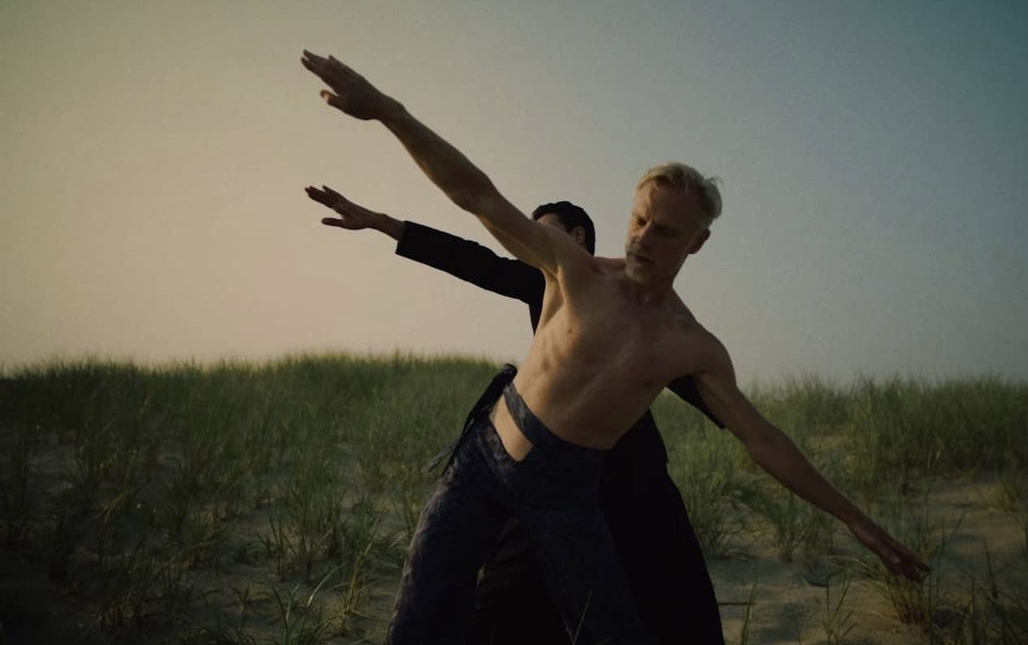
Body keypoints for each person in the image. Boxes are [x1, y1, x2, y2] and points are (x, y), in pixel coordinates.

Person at [301, 50, 929, 645]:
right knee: (422, 614)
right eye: (639, 219)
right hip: (481, 460)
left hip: (562, 490)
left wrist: (853, 518)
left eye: (665, 231)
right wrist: (388, 111)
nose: (643, 238)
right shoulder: (572, 272)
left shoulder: (691, 346)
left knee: (612, 629)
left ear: (697, 244)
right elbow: (478, 198)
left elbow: (763, 439)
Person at [303, 188, 726, 644]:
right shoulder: (545, 278)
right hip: (546, 458)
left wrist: (750, 429)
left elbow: (696, 379)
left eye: (541, 229)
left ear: (576, 235)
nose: (528, 240)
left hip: (630, 465)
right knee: (512, 586)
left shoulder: (633, 297)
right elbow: (473, 259)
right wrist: (384, 221)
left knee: (665, 583)